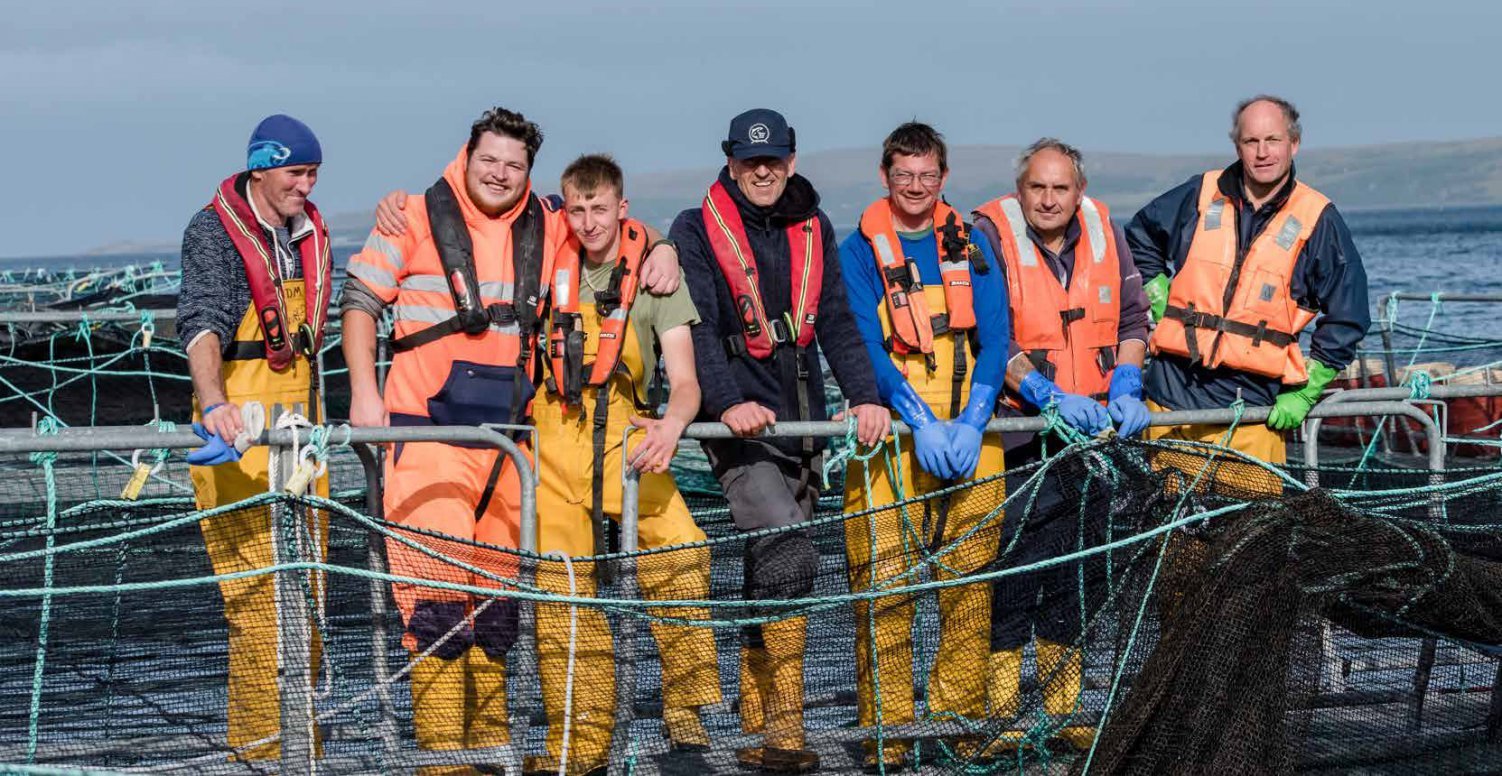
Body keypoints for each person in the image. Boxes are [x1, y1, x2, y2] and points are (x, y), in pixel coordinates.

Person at [341, 106, 573, 771]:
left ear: (530, 171)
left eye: (514, 165)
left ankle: (491, 757)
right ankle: (445, 763)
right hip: (425, 440)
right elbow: (359, 301)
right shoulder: (410, 215)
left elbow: (613, 224)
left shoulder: (550, 224)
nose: (499, 174)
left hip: (506, 451)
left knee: (498, 617)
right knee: (437, 613)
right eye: (489, 160)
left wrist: (666, 250)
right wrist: (363, 394)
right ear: (465, 156)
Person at [672, 107, 888, 773]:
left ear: (790, 161)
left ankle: (754, 711)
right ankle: (784, 735)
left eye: (773, 160)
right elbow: (699, 329)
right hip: (735, 424)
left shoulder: (814, 225)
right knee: (789, 549)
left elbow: (840, 326)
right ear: (730, 162)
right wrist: (728, 401)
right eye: (748, 161)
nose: (761, 171)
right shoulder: (693, 230)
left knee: (768, 560)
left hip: (803, 416)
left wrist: (865, 396)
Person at [525, 154, 721, 773]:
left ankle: (687, 708)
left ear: (622, 208)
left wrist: (672, 425)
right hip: (551, 436)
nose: (587, 223)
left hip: (628, 438)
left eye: (599, 209)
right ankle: (581, 747)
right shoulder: (544, 256)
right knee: (563, 592)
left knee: (685, 553)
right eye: (576, 210)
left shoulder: (657, 277)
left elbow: (685, 381)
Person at [836, 122, 1009, 769]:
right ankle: (889, 742)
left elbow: (996, 339)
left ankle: (959, 730)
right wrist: (915, 417)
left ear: (944, 179)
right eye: (903, 175)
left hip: (971, 439)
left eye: (927, 176)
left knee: (969, 597)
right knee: (884, 593)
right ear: (885, 177)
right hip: (894, 444)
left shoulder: (975, 245)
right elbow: (863, 344)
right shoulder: (857, 253)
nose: (915, 187)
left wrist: (970, 422)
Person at [971, 138, 1153, 751]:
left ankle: (1064, 708)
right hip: (1024, 428)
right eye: (1036, 188)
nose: (1048, 200)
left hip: (1097, 430)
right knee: (1018, 568)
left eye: (1060, 189)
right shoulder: (989, 236)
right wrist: (1047, 396)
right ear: (1020, 189)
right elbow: (988, 336)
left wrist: (1128, 382)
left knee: (1084, 569)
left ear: (1079, 192)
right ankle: (1000, 716)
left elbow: (1133, 322)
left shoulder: (1107, 231)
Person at [177, 113, 333, 761]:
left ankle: (306, 754)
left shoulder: (307, 235)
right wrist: (214, 402)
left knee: (310, 604)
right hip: (238, 440)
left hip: (302, 440)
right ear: (262, 166)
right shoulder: (213, 232)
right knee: (260, 613)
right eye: (297, 172)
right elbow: (203, 322)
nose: (307, 185)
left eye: (314, 175)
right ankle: (264, 757)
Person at [1126, 95, 1370, 495]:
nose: (1262, 153)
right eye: (1251, 141)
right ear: (1236, 145)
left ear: (1294, 144)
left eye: (1272, 140)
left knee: (1251, 540)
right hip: (1170, 400)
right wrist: (1160, 296)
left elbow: (1349, 314)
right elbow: (1139, 237)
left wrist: (1307, 392)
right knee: (1169, 538)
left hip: (1254, 411)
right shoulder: (1200, 193)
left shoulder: (1317, 218)